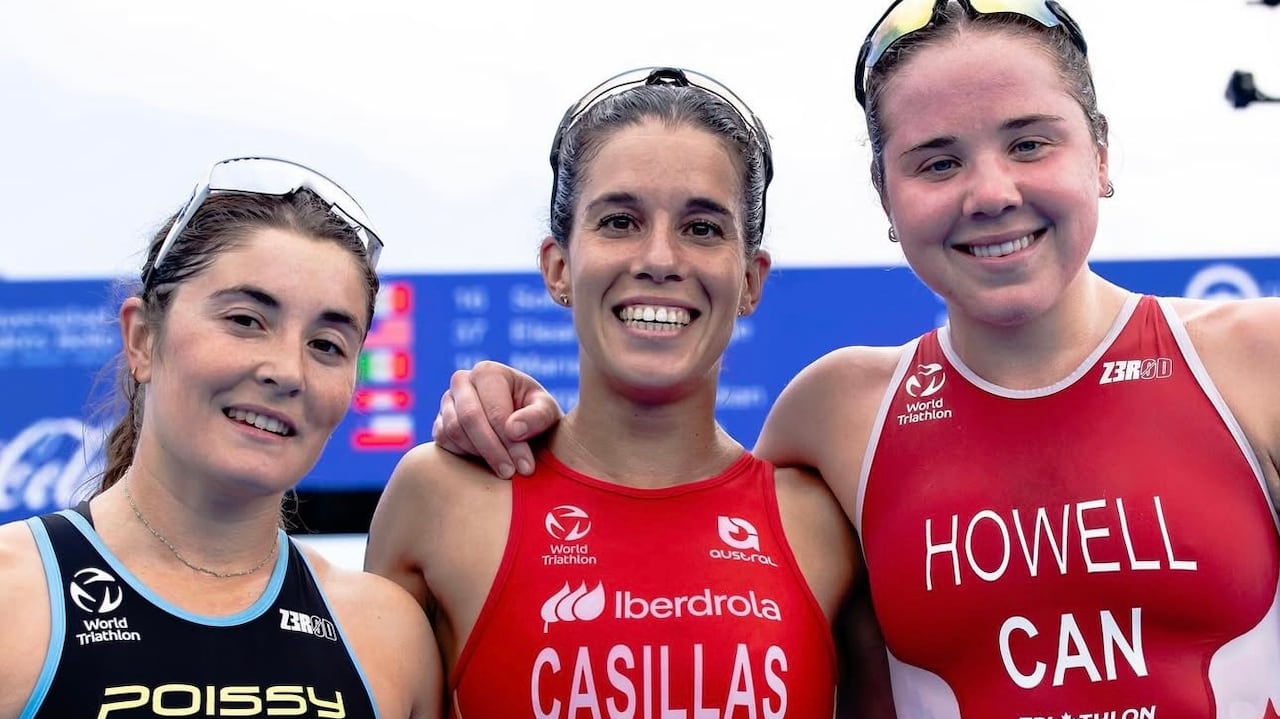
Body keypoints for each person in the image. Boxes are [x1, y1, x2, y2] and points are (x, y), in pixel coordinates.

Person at [431, 2, 1280, 716]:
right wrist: (505, 408)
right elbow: (661, 517)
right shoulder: (837, 415)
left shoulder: (1255, 360)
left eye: (1030, 143)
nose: (990, 192)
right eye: (937, 161)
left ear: (1098, 153)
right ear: (885, 195)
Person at [364, 67, 893, 718]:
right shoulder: (441, 498)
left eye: (702, 227)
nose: (660, 258)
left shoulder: (822, 523)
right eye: (619, 221)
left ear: (752, 280)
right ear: (558, 268)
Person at [0, 156, 442, 719]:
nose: (287, 371)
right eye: (245, 320)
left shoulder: (386, 636)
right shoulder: (12, 598)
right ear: (141, 340)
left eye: (327, 344)